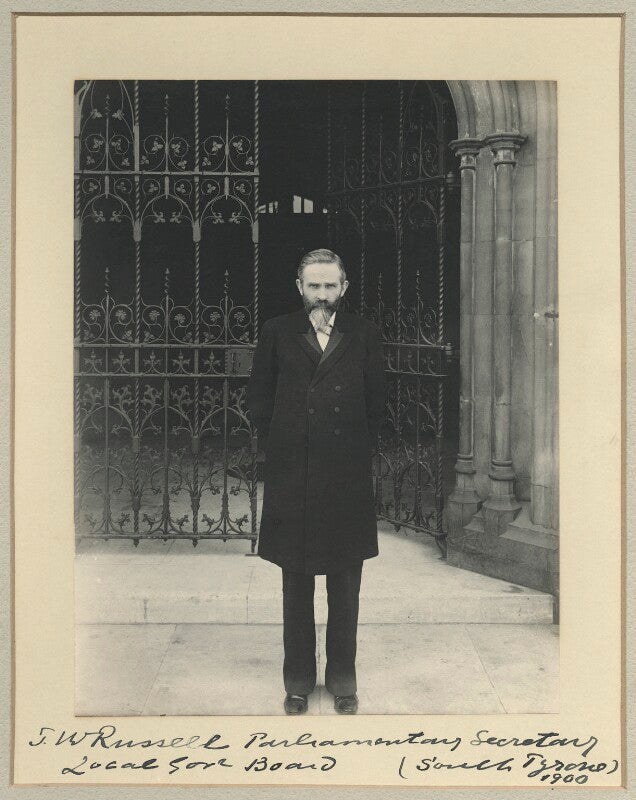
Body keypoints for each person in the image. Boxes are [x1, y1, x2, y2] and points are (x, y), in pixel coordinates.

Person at [246, 248, 386, 715]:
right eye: (313, 286)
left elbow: (377, 402)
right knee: (296, 583)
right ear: (299, 288)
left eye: (329, 286)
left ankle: (343, 678)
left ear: (343, 288)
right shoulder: (277, 331)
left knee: (345, 584)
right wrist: (286, 446)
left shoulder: (364, 333)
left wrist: (351, 450)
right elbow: (259, 398)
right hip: (294, 475)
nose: (321, 295)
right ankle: (299, 680)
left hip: (346, 478)